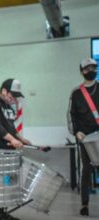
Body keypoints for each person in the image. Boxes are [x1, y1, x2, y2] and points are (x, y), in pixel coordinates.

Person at [0, 78, 31, 220]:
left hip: (7, 152)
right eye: (12, 95)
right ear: (4, 90)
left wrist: (21, 139)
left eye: (16, 96)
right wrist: (12, 140)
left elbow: (10, 127)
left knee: (5, 185)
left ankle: (2, 212)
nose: (13, 99)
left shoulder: (7, 106)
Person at [68, 58, 98, 216]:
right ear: (81, 72)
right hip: (84, 138)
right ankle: (84, 204)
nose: (91, 71)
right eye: (87, 69)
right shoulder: (76, 93)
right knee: (86, 170)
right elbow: (71, 115)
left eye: (93, 68)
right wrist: (76, 132)